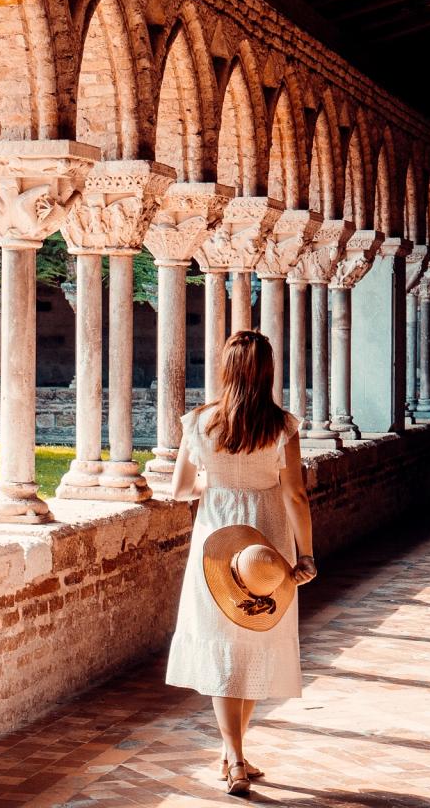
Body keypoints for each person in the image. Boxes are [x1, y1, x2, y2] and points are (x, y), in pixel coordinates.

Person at [165, 329, 317, 795]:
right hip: (265, 544)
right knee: (254, 638)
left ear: (226, 370)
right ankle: (234, 755)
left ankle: (233, 755)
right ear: (268, 371)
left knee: (223, 645)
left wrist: (214, 485)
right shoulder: (282, 426)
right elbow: (294, 495)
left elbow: (180, 489)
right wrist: (306, 553)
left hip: (216, 543)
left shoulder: (198, 422)